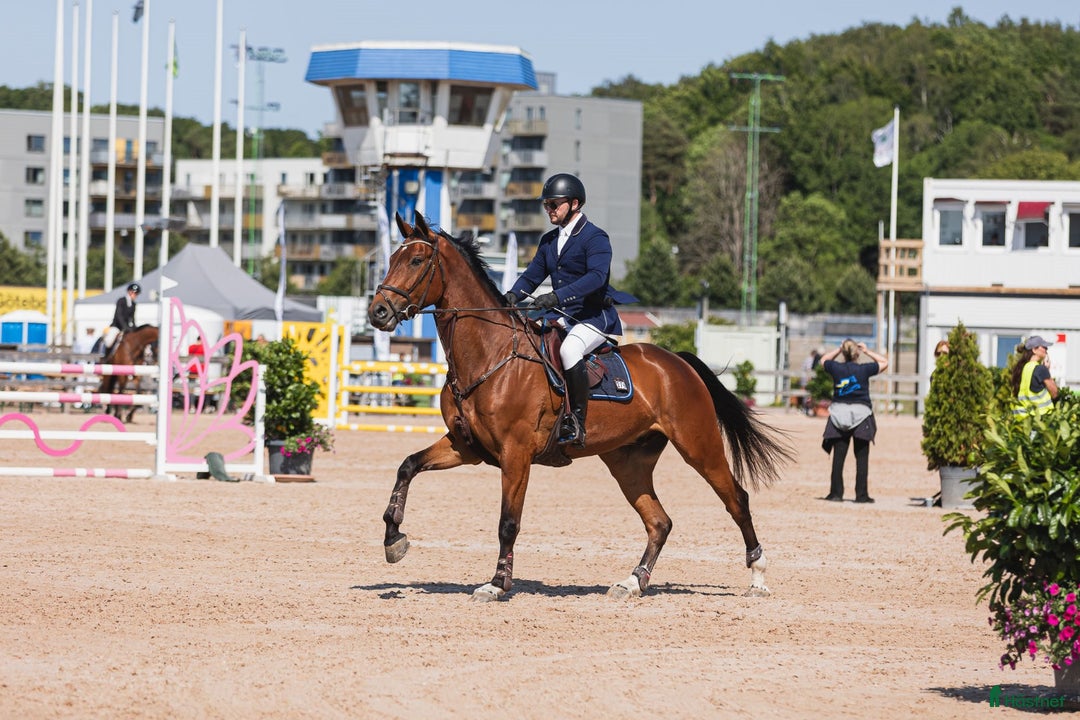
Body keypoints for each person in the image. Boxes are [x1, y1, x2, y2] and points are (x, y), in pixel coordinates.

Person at [504, 173, 637, 447]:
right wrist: (511, 296)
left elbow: (597, 277)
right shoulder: (549, 240)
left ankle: (576, 421)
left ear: (574, 204)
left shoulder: (595, 237)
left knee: (569, 350)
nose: (549, 209)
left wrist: (556, 296)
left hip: (593, 316)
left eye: (554, 204)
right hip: (562, 316)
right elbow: (532, 276)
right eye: (546, 204)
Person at [819, 338, 889, 503]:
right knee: (862, 457)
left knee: (838, 458)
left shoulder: (836, 368)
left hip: (839, 414)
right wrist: (867, 351)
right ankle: (861, 495)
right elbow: (884, 362)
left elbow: (823, 360)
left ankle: (836, 494)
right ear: (857, 353)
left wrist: (838, 350)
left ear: (843, 353)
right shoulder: (864, 369)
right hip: (861, 414)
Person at [1011, 335, 1058, 416]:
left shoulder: (1024, 368)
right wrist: (1047, 371)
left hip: (1024, 417)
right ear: (1034, 350)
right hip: (1040, 417)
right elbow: (1054, 393)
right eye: (1044, 347)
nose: (1046, 349)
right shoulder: (1040, 369)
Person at [102, 282, 141, 357]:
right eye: (134, 293)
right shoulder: (121, 301)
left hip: (126, 328)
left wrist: (135, 329)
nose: (135, 295)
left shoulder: (133, 304)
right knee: (109, 342)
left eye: (136, 294)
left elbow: (132, 318)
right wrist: (125, 327)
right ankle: (105, 356)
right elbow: (119, 315)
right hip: (116, 326)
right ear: (129, 292)